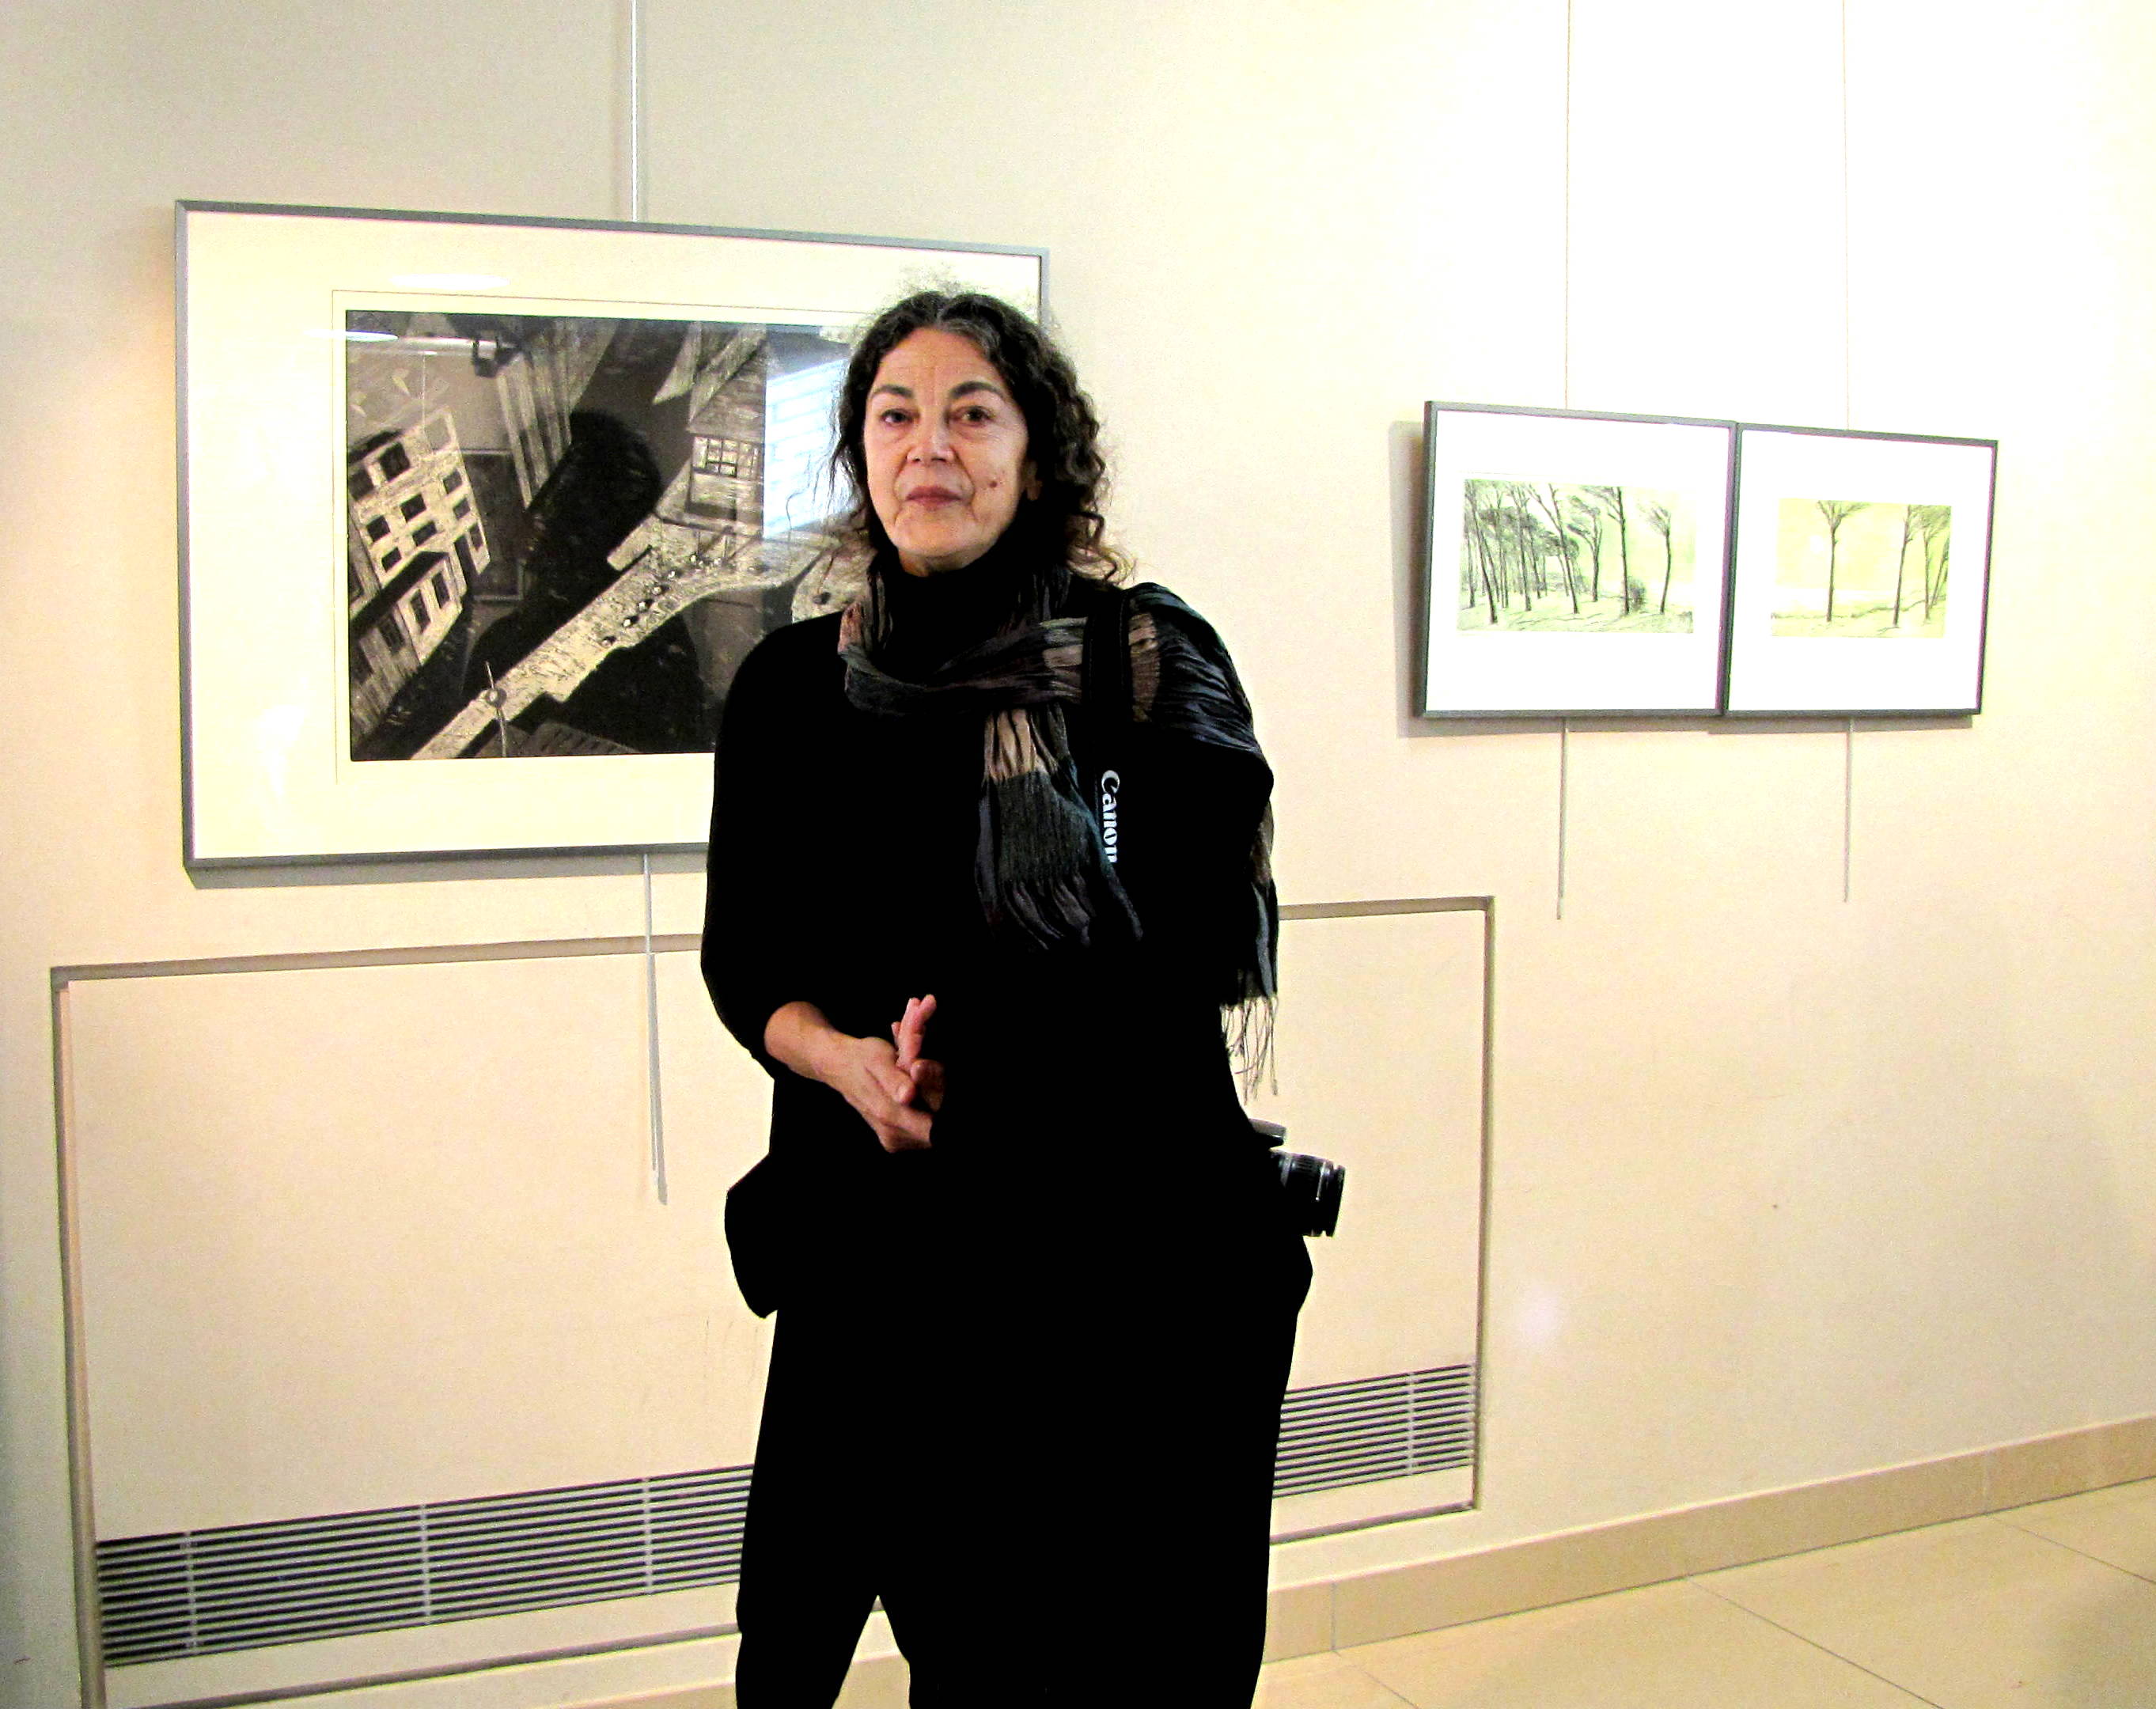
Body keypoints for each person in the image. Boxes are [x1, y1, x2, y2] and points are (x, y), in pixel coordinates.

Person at [701, 290, 1309, 1707]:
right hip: (865, 1243)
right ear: (860, 453)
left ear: (1036, 458)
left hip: (1098, 1252)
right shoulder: (791, 686)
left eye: (972, 412)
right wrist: (850, 1066)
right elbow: (749, 961)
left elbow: (1189, 952)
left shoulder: (1140, 666)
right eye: (895, 414)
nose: (931, 445)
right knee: (786, 1639)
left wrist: (981, 1090)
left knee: (1029, 1652)